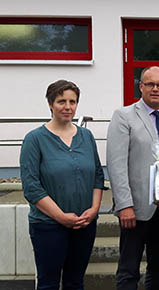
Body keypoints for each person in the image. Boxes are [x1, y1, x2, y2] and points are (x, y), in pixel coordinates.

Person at [20, 80, 105, 290]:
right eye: (61, 101)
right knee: (48, 284)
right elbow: (31, 187)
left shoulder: (86, 136)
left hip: (84, 224)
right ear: (50, 104)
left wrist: (94, 210)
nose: (68, 107)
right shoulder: (35, 139)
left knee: (75, 282)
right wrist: (61, 217)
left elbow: (97, 175)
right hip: (48, 226)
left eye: (72, 101)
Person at [107, 66, 159, 290]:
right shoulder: (124, 116)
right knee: (129, 269)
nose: (155, 89)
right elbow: (117, 164)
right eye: (150, 84)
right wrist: (124, 205)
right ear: (140, 86)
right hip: (136, 207)